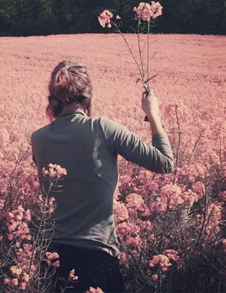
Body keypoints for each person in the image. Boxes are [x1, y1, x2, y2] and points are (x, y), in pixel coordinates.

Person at [31, 60, 174, 293]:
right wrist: (153, 114)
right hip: (96, 259)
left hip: (51, 260)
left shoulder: (38, 138)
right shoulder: (104, 129)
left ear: (54, 97)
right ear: (88, 97)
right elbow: (165, 163)